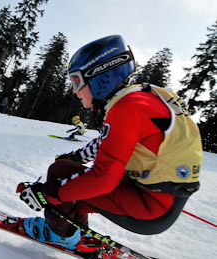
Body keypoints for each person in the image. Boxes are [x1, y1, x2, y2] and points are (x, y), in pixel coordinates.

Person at [17, 35, 203, 253]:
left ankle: (62, 236)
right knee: (70, 184)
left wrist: (48, 192)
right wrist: (76, 157)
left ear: (99, 77)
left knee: (60, 174)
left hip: (152, 207)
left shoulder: (125, 109)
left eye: (76, 81)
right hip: (164, 198)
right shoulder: (142, 98)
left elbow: (103, 178)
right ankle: (72, 232)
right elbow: (112, 141)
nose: (75, 91)